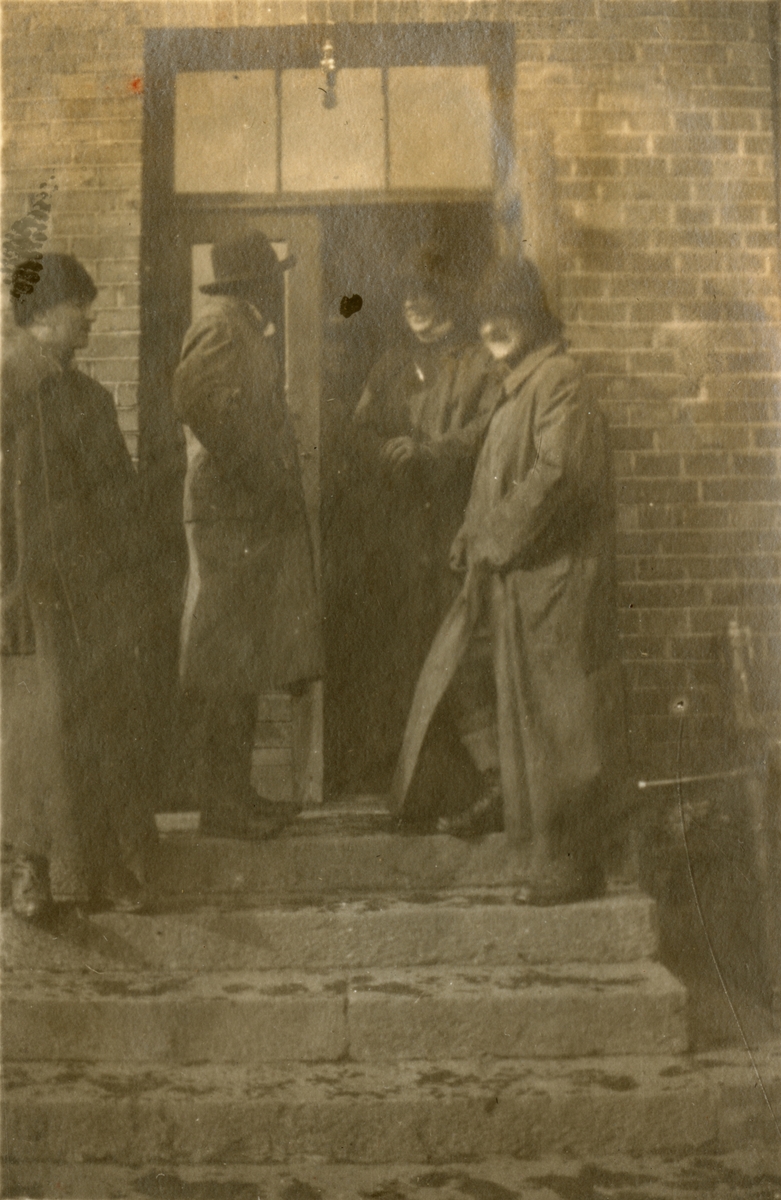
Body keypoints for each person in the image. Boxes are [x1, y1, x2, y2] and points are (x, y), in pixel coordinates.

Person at [392, 257, 624, 904]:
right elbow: (495, 478)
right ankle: (541, 850)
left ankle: (571, 863)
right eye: (486, 316)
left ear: (533, 317)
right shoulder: (515, 387)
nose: (494, 326)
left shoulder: (559, 381)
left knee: (561, 719)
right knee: (518, 711)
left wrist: (492, 538)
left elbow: (557, 476)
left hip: (556, 583)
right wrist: (470, 536)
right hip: (519, 577)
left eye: (508, 314)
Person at [1, 254, 157, 920]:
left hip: (94, 594)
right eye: (78, 308)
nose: (90, 318)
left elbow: (120, 501)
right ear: (41, 316)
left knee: (98, 727)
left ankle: (105, 866)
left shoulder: (89, 399)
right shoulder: (4, 392)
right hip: (24, 594)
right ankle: (28, 870)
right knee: (35, 732)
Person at [337, 244, 500, 801]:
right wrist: (385, 451)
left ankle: (479, 782)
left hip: (456, 525)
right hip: (401, 531)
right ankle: (418, 782)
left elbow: (489, 432)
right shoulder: (391, 364)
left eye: (424, 294)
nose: (412, 304)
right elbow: (359, 429)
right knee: (405, 648)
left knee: (461, 650)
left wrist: (430, 453)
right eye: (406, 295)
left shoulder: (481, 362)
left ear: (449, 298)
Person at [172, 231, 322, 837]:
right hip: (231, 519)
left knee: (246, 657)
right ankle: (222, 807)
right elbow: (194, 399)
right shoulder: (222, 325)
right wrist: (253, 469)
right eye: (269, 275)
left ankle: (237, 794)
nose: (275, 284)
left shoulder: (241, 325)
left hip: (247, 521)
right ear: (252, 281)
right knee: (226, 663)